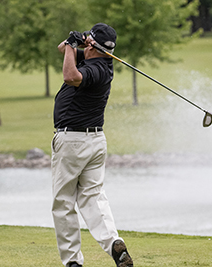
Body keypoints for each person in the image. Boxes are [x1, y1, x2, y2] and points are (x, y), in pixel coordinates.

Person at [51, 23, 133, 267]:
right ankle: (113, 244)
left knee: (63, 202)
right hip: (95, 142)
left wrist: (73, 44)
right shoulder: (93, 57)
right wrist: (72, 42)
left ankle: (73, 261)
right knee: (93, 197)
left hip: (72, 142)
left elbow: (70, 76)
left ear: (94, 46)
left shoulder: (98, 68)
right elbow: (61, 49)